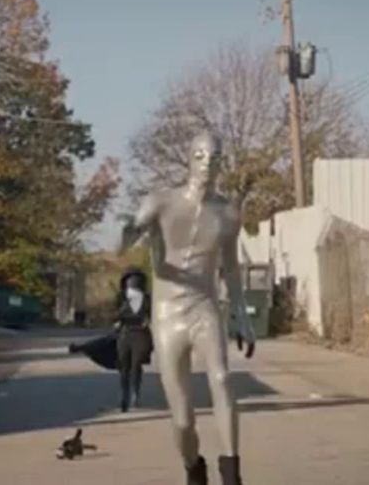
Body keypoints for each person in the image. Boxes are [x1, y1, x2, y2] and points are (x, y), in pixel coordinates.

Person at [120, 131, 255, 485]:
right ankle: (194, 467)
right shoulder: (161, 202)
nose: (207, 164)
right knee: (182, 419)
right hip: (168, 318)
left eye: (214, 157)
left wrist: (241, 313)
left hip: (204, 307)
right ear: (189, 157)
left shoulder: (227, 213)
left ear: (221, 162)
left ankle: (232, 473)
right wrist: (132, 231)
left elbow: (231, 267)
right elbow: (126, 239)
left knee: (223, 380)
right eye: (200, 155)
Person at [114, 267, 152, 412]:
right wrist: (117, 321)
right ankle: (124, 394)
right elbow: (114, 314)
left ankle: (136, 393)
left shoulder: (147, 298)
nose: (133, 281)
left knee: (136, 365)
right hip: (125, 333)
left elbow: (151, 314)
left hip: (140, 334)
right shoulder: (121, 297)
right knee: (124, 366)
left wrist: (148, 321)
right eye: (131, 278)